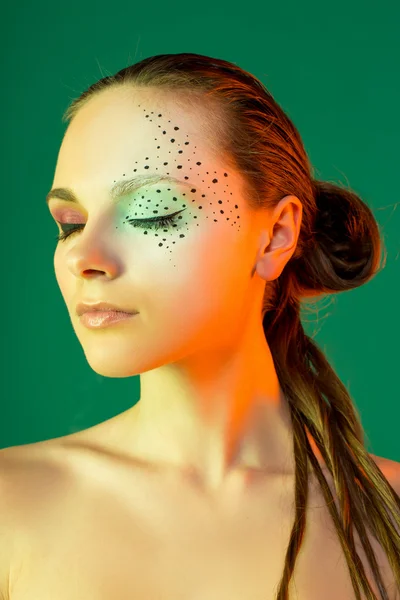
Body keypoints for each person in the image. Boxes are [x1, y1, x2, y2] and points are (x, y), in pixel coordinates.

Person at [1, 52, 399, 600]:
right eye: (70, 224)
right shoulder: (11, 505)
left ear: (275, 235)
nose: (83, 256)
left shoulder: (389, 516)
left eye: (153, 212)